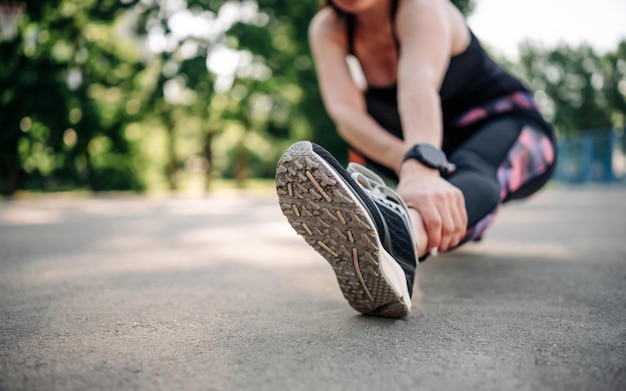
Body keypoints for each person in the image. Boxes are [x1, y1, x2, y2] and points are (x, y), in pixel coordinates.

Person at [275, 0, 556, 318]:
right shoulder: (329, 28)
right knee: (370, 131)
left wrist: (422, 166)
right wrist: (408, 161)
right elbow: (345, 113)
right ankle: (413, 219)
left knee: (474, 166)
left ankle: (404, 241)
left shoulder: (421, 5)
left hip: (514, 129)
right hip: (436, 147)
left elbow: (418, 84)